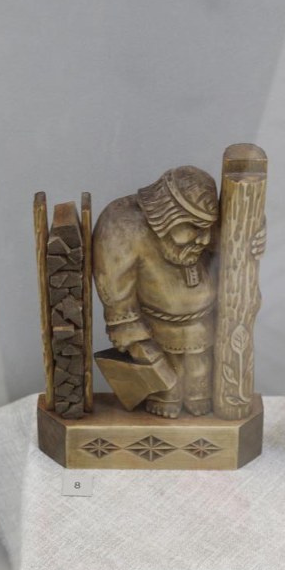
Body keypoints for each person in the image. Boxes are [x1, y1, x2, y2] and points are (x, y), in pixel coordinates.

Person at [93, 166, 220, 418]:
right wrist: (134, 337)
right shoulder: (125, 226)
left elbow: (230, 238)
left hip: (205, 327)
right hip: (158, 331)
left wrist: (254, 237)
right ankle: (165, 398)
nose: (204, 240)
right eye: (194, 228)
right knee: (168, 387)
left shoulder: (197, 239)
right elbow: (116, 291)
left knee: (200, 378)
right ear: (166, 219)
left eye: (208, 228)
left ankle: (196, 396)